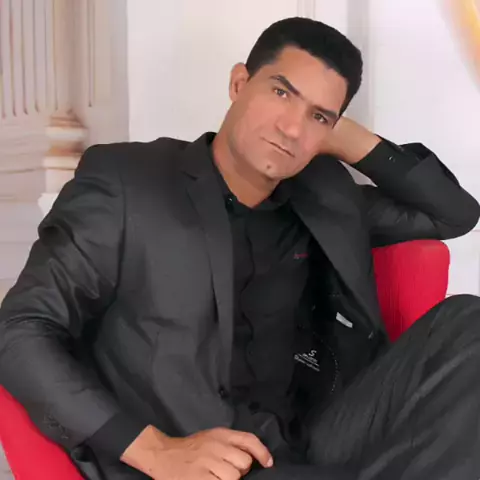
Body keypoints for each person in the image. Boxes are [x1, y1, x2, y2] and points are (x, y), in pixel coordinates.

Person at [1, 16, 480, 480]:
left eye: (318, 116)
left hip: (312, 440)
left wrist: (353, 140)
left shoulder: (324, 197)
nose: (292, 128)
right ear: (238, 84)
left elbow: (453, 213)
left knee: (467, 322)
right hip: (199, 454)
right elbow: (20, 330)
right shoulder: (129, 183)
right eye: (281, 93)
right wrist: (155, 451)